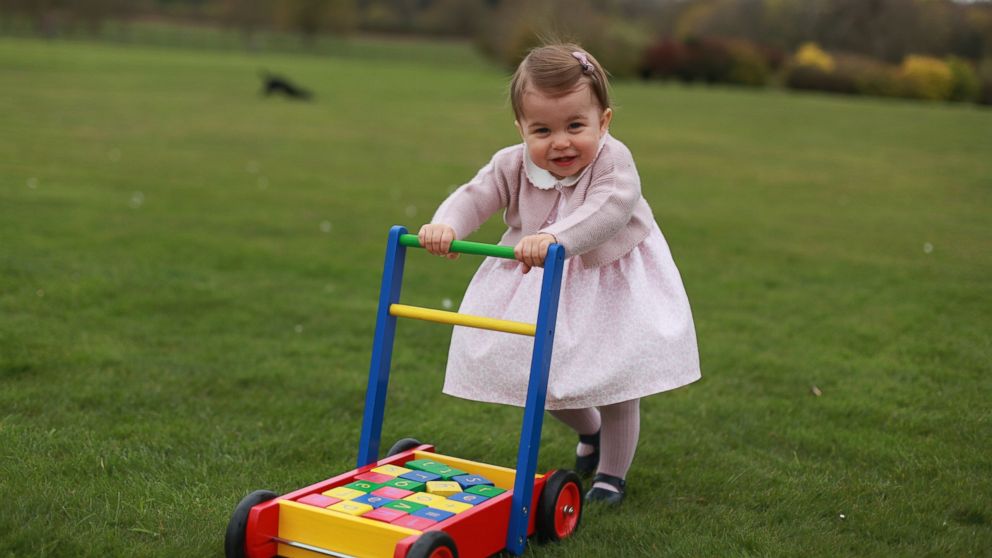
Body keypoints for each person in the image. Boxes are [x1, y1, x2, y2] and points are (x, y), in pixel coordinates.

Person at [418, 43, 701, 505]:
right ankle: (589, 431)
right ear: (521, 128)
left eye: (575, 126)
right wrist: (446, 224)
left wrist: (554, 237)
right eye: (542, 130)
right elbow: (476, 193)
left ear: (603, 121)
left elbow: (608, 209)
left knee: (614, 380)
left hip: (609, 279)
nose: (561, 142)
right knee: (542, 379)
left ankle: (612, 475)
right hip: (542, 277)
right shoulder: (512, 163)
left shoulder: (613, 161)